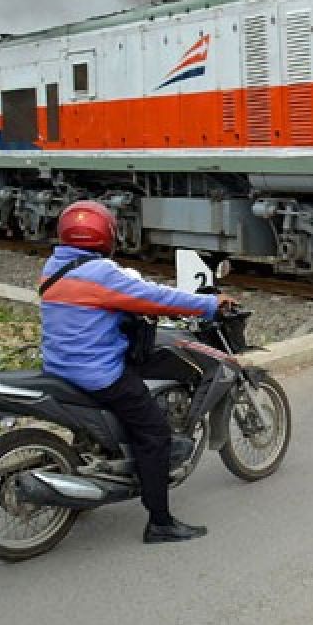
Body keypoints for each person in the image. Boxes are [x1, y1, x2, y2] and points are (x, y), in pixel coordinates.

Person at [40, 200, 238, 544]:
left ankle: (93, 472)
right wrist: (209, 304)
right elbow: (153, 297)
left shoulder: (55, 265)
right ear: (106, 235)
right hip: (95, 372)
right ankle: (160, 522)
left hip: (60, 366)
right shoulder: (100, 273)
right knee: (154, 433)